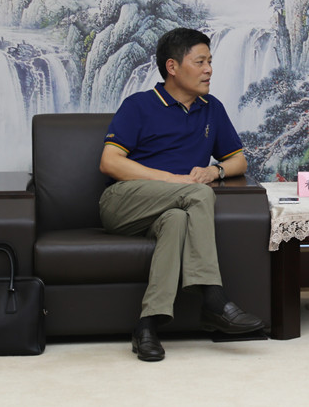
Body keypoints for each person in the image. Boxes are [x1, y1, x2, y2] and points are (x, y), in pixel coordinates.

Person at [99, 27, 263, 361]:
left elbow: (239, 161)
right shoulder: (139, 105)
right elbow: (109, 162)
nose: (209, 70)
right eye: (200, 62)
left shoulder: (211, 108)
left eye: (210, 62)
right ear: (172, 67)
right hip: (123, 202)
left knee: (176, 221)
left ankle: (147, 326)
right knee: (199, 195)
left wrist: (214, 171)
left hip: (168, 209)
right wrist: (173, 181)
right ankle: (214, 300)